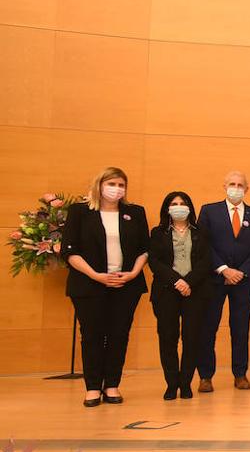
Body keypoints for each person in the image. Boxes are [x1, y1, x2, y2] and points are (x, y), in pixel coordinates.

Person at [61, 167, 149, 407]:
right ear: (100, 185)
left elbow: (144, 249)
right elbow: (69, 250)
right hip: (89, 285)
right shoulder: (80, 211)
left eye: (121, 185)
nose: (117, 189)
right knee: (92, 336)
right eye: (112, 184)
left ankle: (112, 384)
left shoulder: (135, 212)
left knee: (119, 336)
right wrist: (95, 275)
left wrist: (132, 273)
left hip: (126, 285)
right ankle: (92, 387)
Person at [197, 171, 250, 393]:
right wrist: (224, 269)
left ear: (247, 189)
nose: (235, 188)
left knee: (240, 329)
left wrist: (241, 272)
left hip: (244, 281)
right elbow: (203, 243)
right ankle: (205, 376)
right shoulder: (209, 211)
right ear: (224, 186)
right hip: (214, 278)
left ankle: (240, 374)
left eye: (240, 185)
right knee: (208, 328)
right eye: (232, 184)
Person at [147, 191, 212, 400]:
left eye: (183, 203)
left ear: (190, 207)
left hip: (195, 291)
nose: (178, 206)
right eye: (174, 203)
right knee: (168, 338)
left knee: (191, 338)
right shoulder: (158, 232)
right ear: (167, 208)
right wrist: (176, 281)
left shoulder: (201, 231)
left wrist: (188, 282)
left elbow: (206, 261)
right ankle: (171, 383)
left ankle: (185, 383)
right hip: (166, 291)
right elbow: (155, 262)